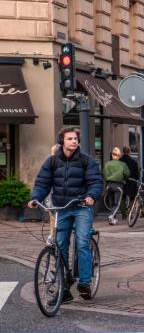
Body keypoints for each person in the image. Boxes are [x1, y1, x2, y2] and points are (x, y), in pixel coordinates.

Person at [29, 127, 103, 303]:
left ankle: (85, 283)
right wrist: (35, 198)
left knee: (82, 242)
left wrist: (91, 196)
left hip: (81, 207)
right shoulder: (52, 162)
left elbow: (96, 182)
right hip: (61, 208)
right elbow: (42, 183)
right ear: (62, 141)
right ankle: (64, 288)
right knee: (59, 245)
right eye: (70, 139)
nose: (74, 141)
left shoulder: (87, 161)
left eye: (76, 138)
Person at [103, 147, 130, 220]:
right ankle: (112, 216)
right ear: (119, 155)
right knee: (117, 203)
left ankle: (113, 217)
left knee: (112, 202)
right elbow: (127, 174)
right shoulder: (122, 164)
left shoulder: (107, 164)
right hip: (118, 185)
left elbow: (105, 174)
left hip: (109, 185)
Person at [120, 145, 140, 210]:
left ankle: (124, 214)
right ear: (129, 152)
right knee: (132, 197)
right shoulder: (133, 161)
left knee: (123, 197)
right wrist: (137, 179)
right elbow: (137, 173)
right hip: (132, 182)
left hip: (122, 181)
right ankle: (130, 212)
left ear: (123, 152)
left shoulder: (120, 161)